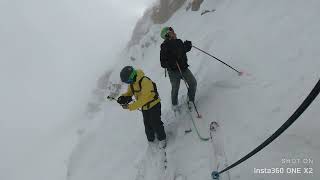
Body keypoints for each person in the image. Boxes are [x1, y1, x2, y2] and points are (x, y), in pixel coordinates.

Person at [117, 66, 167, 149]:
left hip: (154, 104)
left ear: (132, 76)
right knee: (147, 124)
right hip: (145, 107)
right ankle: (151, 139)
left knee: (156, 122)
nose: (129, 83)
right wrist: (123, 97)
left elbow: (144, 99)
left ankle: (162, 138)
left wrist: (130, 106)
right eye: (127, 82)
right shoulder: (132, 84)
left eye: (128, 80)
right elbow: (129, 93)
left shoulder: (145, 81)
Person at [160, 26, 197, 112]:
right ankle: (174, 105)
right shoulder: (164, 46)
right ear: (167, 35)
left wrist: (187, 45)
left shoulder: (179, 42)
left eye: (172, 31)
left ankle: (190, 100)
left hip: (183, 69)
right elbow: (162, 63)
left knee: (193, 83)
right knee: (175, 88)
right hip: (173, 72)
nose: (174, 32)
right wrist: (171, 62)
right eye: (171, 31)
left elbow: (183, 50)